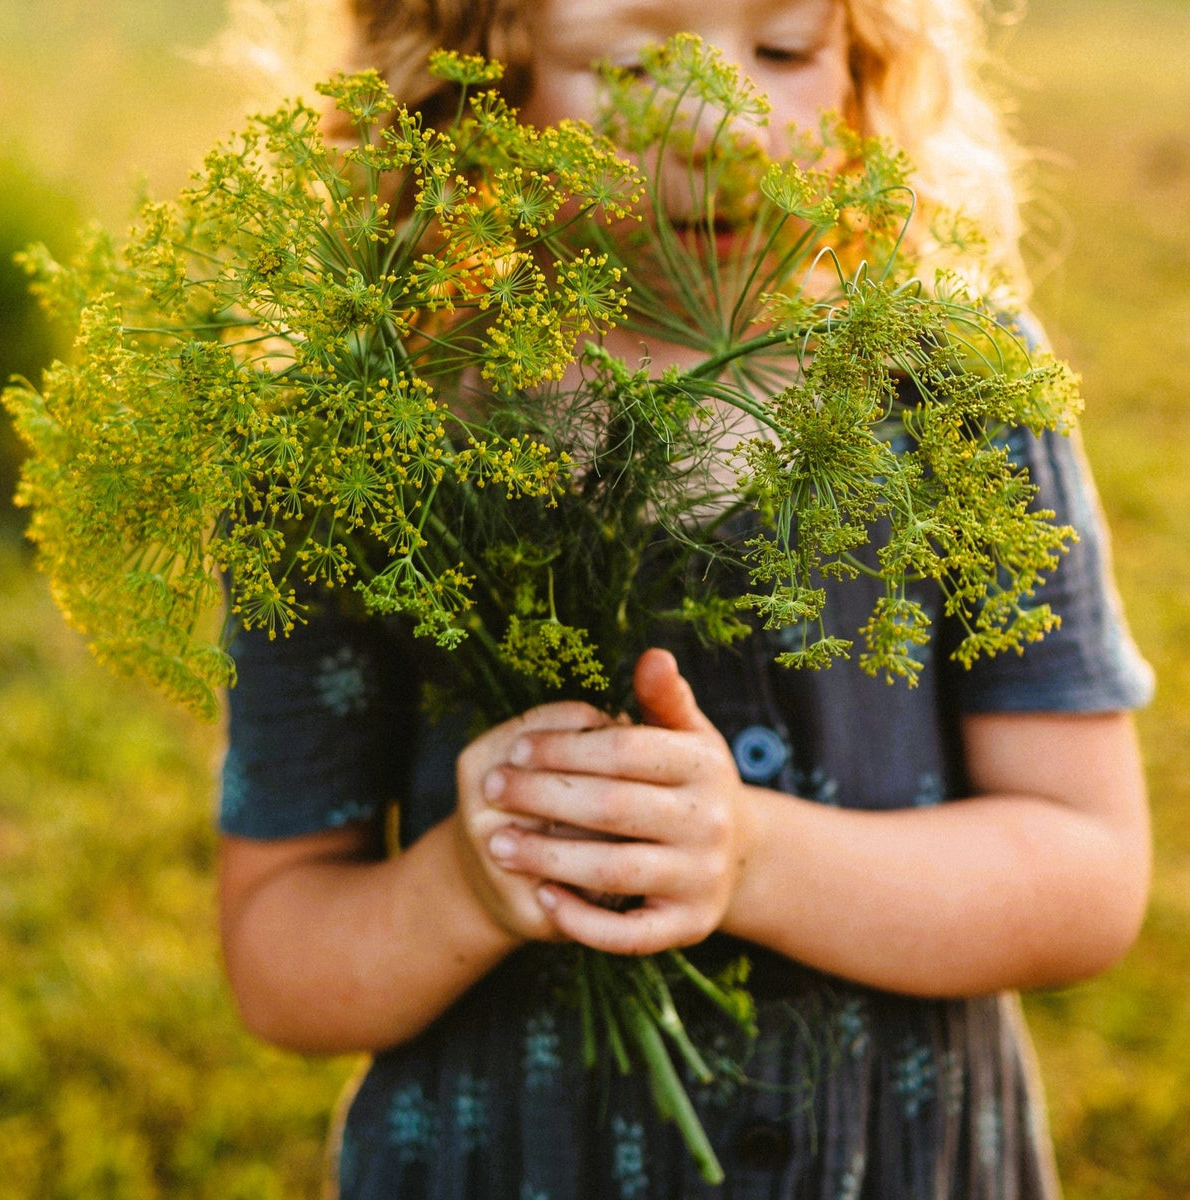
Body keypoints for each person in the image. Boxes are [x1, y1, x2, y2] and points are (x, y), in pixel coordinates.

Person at [215, 1, 1155, 1196]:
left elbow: (1089, 876)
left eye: (785, 50)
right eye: (639, 63)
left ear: (864, 65)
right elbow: (278, 961)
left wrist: (754, 859)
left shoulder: (957, 392)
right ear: (476, 86)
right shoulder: (368, 444)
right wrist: (463, 886)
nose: (724, 128)